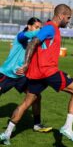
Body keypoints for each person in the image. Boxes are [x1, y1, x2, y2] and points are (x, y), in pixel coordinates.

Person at [0, 4, 73, 145]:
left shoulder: (49, 28)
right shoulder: (51, 28)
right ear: (61, 15)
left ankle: (7, 134)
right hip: (48, 71)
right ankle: (68, 127)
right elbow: (33, 43)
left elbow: (36, 41)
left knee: (27, 102)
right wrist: (26, 64)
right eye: (68, 18)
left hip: (36, 74)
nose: (69, 21)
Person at [0, 17, 52, 145]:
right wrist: (47, 29)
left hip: (22, 77)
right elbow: (30, 35)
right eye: (36, 27)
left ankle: (37, 124)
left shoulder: (35, 40)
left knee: (35, 97)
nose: (38, 29)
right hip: (7, 74)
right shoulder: (21, 36)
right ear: (29, 26)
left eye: (40, 27)